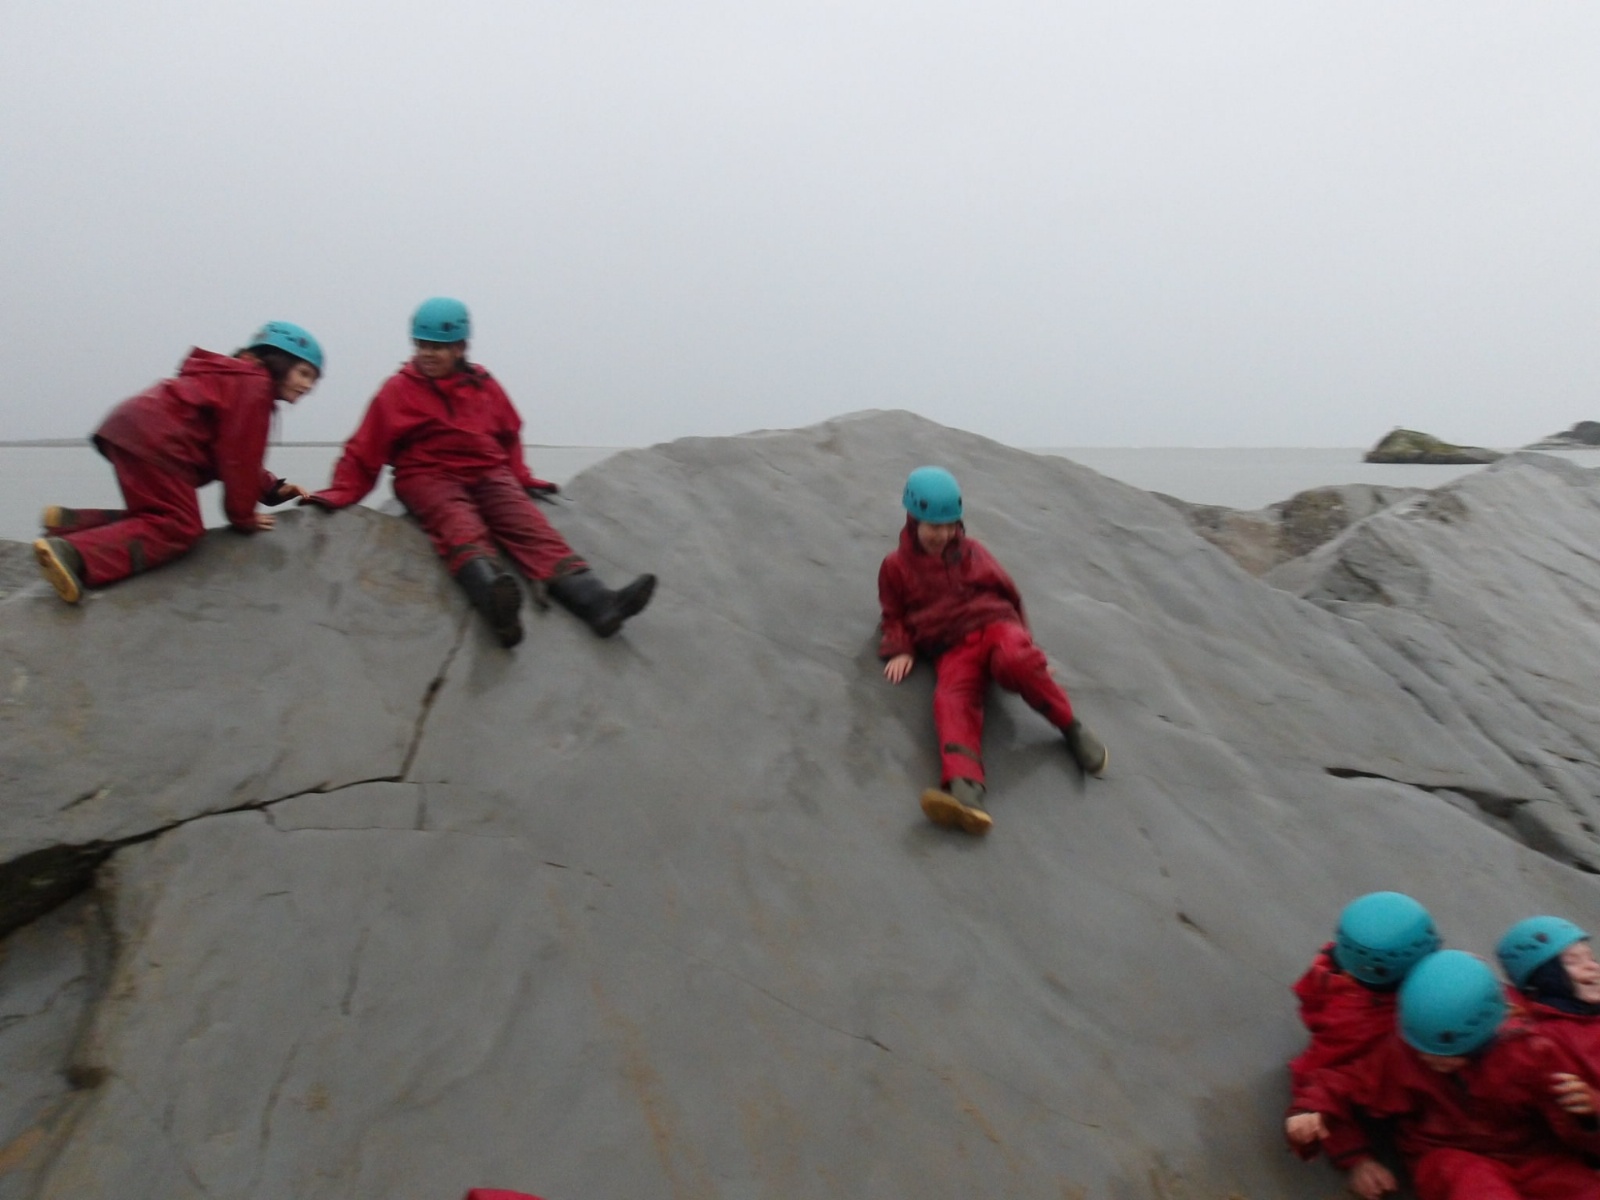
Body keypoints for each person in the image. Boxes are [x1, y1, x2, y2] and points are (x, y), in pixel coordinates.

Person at [306, 298, 654, 647]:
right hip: (427, 474)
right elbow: (364, 449)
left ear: (460, 348)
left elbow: (508, 433)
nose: (427, 354)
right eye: (422, 345)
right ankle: (493, 598)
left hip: (487, 470)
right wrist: (340, 491)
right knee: (459, 524)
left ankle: (600, 605)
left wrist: (520, 476)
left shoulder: (483, 384)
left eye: (437, 347)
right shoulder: (397, 390)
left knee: (530, 527)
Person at [877, 466, 1107, 835]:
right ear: (913, 519)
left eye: (950, 526)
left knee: (1016, 662)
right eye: (934, 526)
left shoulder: (973, 552)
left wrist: (1029, 648)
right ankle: (966, 792)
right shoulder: (895, 567)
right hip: (952, 647)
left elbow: (1008, 593)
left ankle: (1072, 727)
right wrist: (901, 648)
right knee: (950, 701)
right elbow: (893, 614)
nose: (943, 535)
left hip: (995, 626)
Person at [33, 322, 324, 604]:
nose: (308, 385)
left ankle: (72, 524)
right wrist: (243, 518)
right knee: (180, 526)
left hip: (134, 429)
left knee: (156, 515)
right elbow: (238, 460)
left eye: (313, 379)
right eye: (303, 373)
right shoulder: (255, 387)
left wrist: (271, 488)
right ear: (278, 361)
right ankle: (74, 554)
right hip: (160, 441)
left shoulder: (237, 378)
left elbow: (230, 450)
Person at [1288, 950, 1600, 1200]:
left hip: (1532, 1155)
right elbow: (1345, 1081)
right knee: (1472, 1185)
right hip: (1448, 1152)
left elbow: (1571, 1130)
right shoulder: (1405, 1052)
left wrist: (1590, 1112)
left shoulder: (1532, 1052)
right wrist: (1311, 1111)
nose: (1429, 1059)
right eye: (1422, 1048)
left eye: (1446, 1053)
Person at [1285, 892, 1442, 1199]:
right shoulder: (1356, 1025)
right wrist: (1355, 1158)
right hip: (1408, 1104)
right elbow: (1319, 1080)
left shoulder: (1350, 963)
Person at [1499, 916, 1600, 1071]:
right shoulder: (1546, 1043)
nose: (1593, 967)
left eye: (1591, 958)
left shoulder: (1590, 1014)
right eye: (1572, 962)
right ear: (1546, 977)